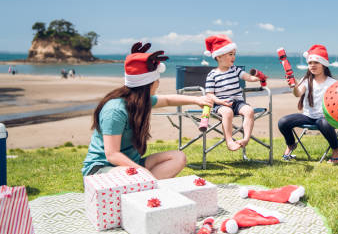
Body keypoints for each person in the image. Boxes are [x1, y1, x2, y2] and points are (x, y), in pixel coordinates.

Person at [81, 42, 224, 179]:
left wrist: (197, 100)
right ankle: (144, 184)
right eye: (157, 79)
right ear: (147, 84)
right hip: (101, 169)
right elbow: (112, 154)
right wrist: (141, 171)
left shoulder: (140, 101)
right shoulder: (115, 110)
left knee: (178, 157)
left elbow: (167, 100)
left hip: (131, 166)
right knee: (136, 176)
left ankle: (144, 185)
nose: (159, 82)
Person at [278, 44, 338, 164]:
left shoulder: (333, 83)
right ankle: (291, 145)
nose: (312, 65)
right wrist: (294, 86)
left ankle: (336, 149)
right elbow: (297, 94)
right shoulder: (306, 80)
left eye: (316, 62)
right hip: (308, 116)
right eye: (310, 63)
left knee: (323, 122)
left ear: (323, 64)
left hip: (325, 118)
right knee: (283, 122)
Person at [203, 35, 263, 151]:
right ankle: (230, 141)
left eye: (234, 54)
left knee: (249, 111)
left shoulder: (234, 69)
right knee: (227, 113)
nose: (233, 57)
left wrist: (254, 78)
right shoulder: (212, 75)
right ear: (219, 57)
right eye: (230, 54)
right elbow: (209, 94)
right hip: (221, 104)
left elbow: (245, 76)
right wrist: (219, 101)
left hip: (237, 102)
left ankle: (245, 139)